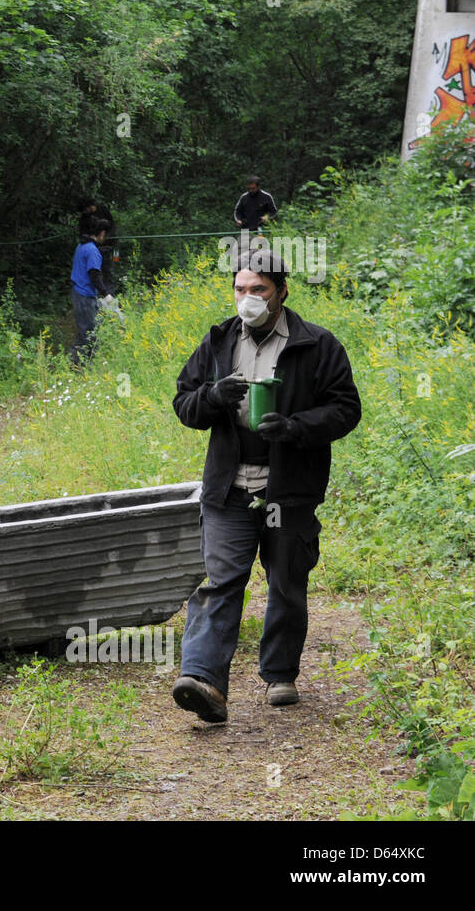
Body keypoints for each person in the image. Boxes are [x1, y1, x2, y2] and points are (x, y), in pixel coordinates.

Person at [170, 248, 360, 723]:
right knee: (223, 581)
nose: (248, 299)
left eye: (259, 290)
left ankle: (280, 674)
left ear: (281, 292)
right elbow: (183, 402)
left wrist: (296, 428)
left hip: (288, 487)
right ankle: (203, 680)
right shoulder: (217, 341)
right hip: (230, 487)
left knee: (286, 581)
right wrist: (212, 396)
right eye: (240, 289)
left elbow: (345, 408)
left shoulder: (317, 345)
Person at [69, 219, 115, 363]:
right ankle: (84, 366)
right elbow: (94, 274)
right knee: (90, 334)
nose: (105, 239)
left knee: (84, 331)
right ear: (102, 233)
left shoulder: (81, 246)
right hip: (84, 296)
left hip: (77, 292)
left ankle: (74, 362)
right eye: (105, 236)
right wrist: (105, 294)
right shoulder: (92, 251)